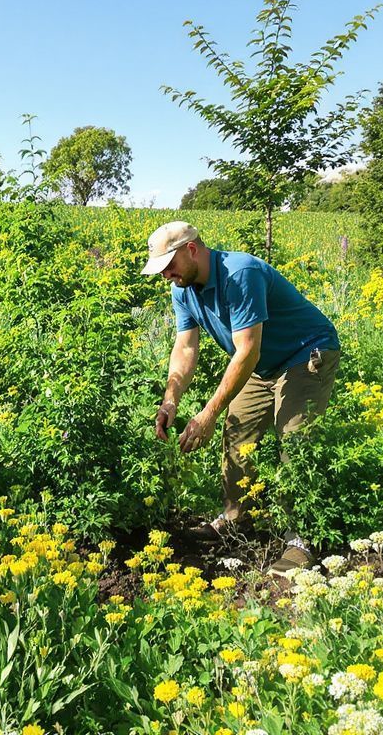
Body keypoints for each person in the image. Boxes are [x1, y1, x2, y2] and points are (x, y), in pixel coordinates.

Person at [143, 221, 340, 576]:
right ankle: (236, 518)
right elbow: (185, 348)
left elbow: (247, 351)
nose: (166, 275)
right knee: (237, 434)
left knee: (295, 440)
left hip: (305, 353)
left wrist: (207, 414)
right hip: (263, 365)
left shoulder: (240, 273)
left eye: (168, 266)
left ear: (191, 250)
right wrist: (170, 399)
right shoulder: (182, 289)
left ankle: (301, 539)